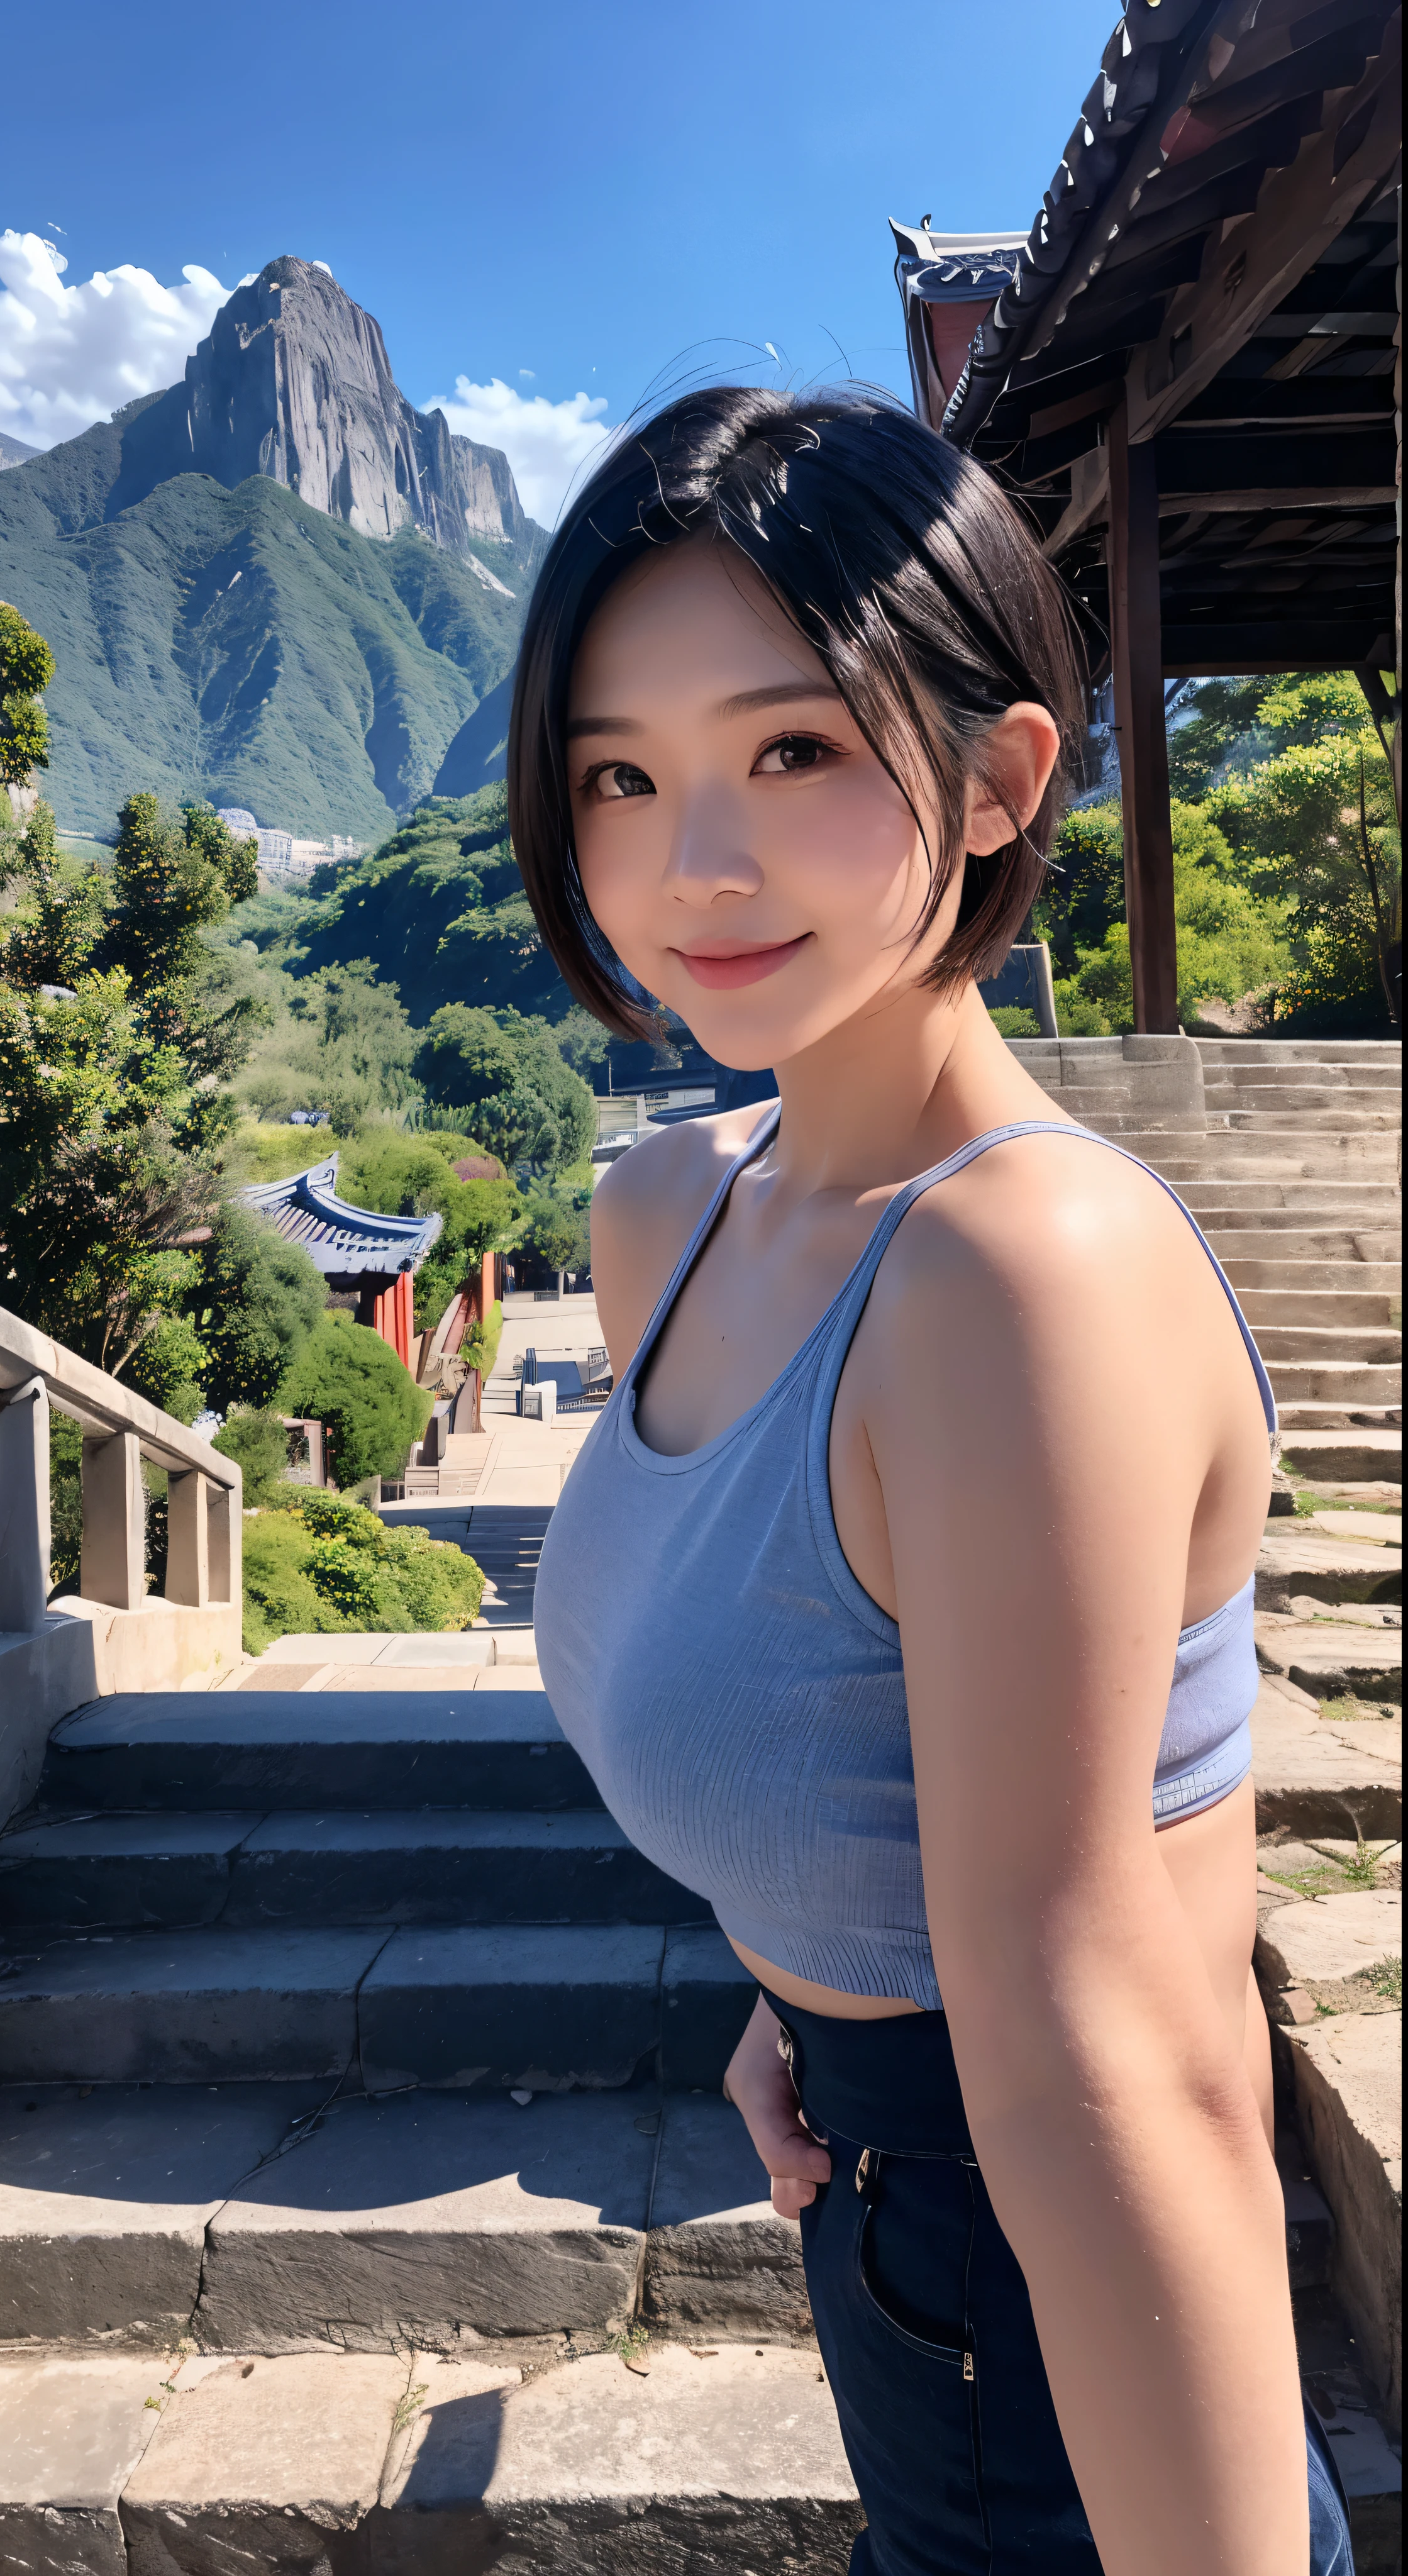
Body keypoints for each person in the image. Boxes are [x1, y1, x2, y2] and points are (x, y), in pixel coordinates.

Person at [518, 387, 1353, 2575]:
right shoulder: (675, 1214)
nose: (694, 861)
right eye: (622, 775)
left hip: (1063, 2317)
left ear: (997, 782)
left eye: (791, 751)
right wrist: (806, 1979)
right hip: (888, 2198)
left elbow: (1124, 2047)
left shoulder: (1021, 1278)